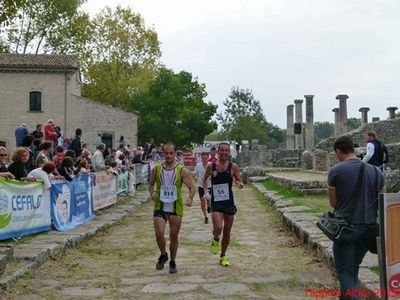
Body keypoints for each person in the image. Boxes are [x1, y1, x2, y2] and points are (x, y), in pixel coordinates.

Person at [328, 135, 385, 300]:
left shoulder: (336, 171)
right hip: (369, 229)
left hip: (347, 229)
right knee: (352, 267)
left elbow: (334, 203)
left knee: (344, 271)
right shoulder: (376, 171)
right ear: (353, 148)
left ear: (338, 151)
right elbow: (383, 200)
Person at [148, 143, 195, 274]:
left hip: (176, 206)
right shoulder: (156, 169)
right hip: (160, 205)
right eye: (166, 153)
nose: (168, 156)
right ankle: (163, 254)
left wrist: (190, 198)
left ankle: (172, 262)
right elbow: (151, 184)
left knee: (174, 236)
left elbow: (191, 187)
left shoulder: (181, 170)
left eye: (171, 153)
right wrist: (152, 193)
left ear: (175, 154)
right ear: (163, 153)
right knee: (159, 233)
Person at [203, 142, 244, 267]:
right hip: (216, 201)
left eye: (227, 150)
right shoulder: (211, 166)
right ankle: (215, 238)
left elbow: (239, 180)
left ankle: (223, 255)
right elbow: (205, 179)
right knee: (218, 228)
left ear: (229, 153)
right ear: (218, 152)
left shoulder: (233, 167)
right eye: (222, 150)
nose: (224, 152)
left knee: (227, 231)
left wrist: (239, 184)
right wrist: (206, 191)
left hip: (229, 202)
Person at [193, 152, 212, 224]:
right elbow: (194, 173)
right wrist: (194, 176)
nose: (204, 160)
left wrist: (210, 177)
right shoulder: (198, 165)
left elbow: (214, 173)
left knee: (209, 199)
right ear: (201, 158)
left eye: (205, 158)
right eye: (203, 158)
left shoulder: (211, 165)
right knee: (202, 202)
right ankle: (205, 217)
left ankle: (209, 206)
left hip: (209, 186)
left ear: (208, 158)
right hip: (201, 186)